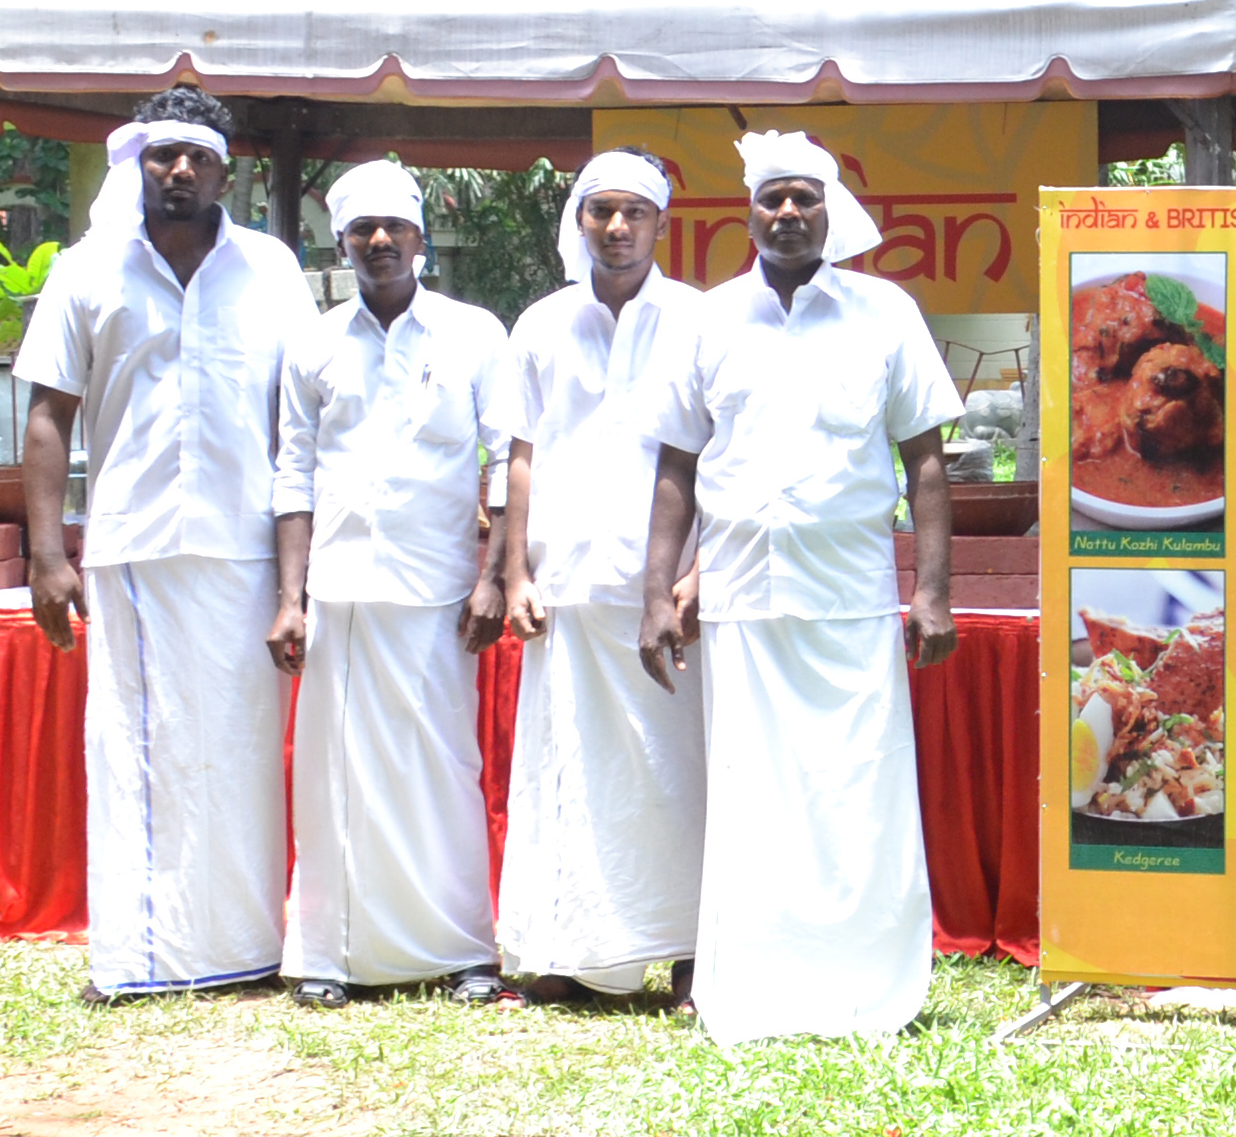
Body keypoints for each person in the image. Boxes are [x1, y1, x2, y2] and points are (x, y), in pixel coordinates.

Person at [637, 133, 962, 1043]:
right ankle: (756, 989)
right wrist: (659, 592)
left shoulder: (884, 311)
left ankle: (867, 990)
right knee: (752, 799)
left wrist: (931, 591)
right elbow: (676, 461)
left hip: (851, 594)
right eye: (772, 199)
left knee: (855, 793)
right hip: (738, 598)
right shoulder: (709, 319)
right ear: (749, 211)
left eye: (804, 199)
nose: (787, 214)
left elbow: (926, 461)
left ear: (832, 210)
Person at [18, 87, 313, 1000]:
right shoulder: (87, 270)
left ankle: (244, 950)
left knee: (240, 754)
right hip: (134, 547)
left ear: (229, 168)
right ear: (139, 164)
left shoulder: (271, 270)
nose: (179, 172)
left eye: (197, 157)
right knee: (137, 753)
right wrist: (46, 555)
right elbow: (46, 416)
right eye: (163, 157)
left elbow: (304, 418)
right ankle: (140, 961)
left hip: (245, 551)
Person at [270, 159, 507, 1009]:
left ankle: (463, 951)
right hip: (338, 590)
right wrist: (291, 598)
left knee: (444, 768)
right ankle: (330, 958)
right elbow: (293, 475)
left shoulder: (474, 332)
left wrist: (493, 579)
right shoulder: (315, 343)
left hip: (440, 592)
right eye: (362, 230)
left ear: (419, 239)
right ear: (340, 243)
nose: (379, 242)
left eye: (393, 228)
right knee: (334, 776)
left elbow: (508, 464)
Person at [485, 149, 708, 1001]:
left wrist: (701, 573)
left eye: (635, 213)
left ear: (661, 224)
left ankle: (694, 953)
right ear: (579, 220)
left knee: (679, 773)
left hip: (669, 589)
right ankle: (578, 957)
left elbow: (718, 452)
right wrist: (513, 575)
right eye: (600, 211)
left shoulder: (698, 319)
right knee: (575, 775)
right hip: (568, 582)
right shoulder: (540, 323)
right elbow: (520, 456)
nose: (616, 228)